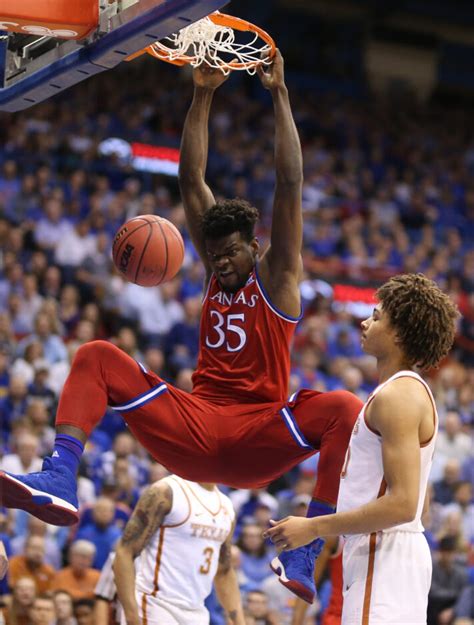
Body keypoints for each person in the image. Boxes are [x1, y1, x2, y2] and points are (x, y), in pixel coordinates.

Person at [0, 51, 362, 603]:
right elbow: (191, 176)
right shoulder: (216, 268)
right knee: (96, 354)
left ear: (255, 247)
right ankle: (58, 475)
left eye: (231, 251)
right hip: (194, 427)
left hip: (255, 435)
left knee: (343, 407)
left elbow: (290, 181)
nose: (219, 260)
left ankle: (308, 542)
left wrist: (279, 93)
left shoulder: (280, 276)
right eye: (213, 251)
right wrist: (203, 92)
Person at [265, 273, 459, 624]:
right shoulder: (408, 392)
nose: (365, 321)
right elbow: (421, 504)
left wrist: (314, 527)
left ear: (400, 333)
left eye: (377, 317)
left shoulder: (397, 396)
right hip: (392, 556)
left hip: (382, 554)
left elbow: (403, 505)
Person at [113, 473, 245, 625]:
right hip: (156, 605)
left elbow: (224, 570)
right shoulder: (167, 491)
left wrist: (239, 621)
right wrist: (131, 615)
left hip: (197, 610)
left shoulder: (227, 506)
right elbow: (124, 551)